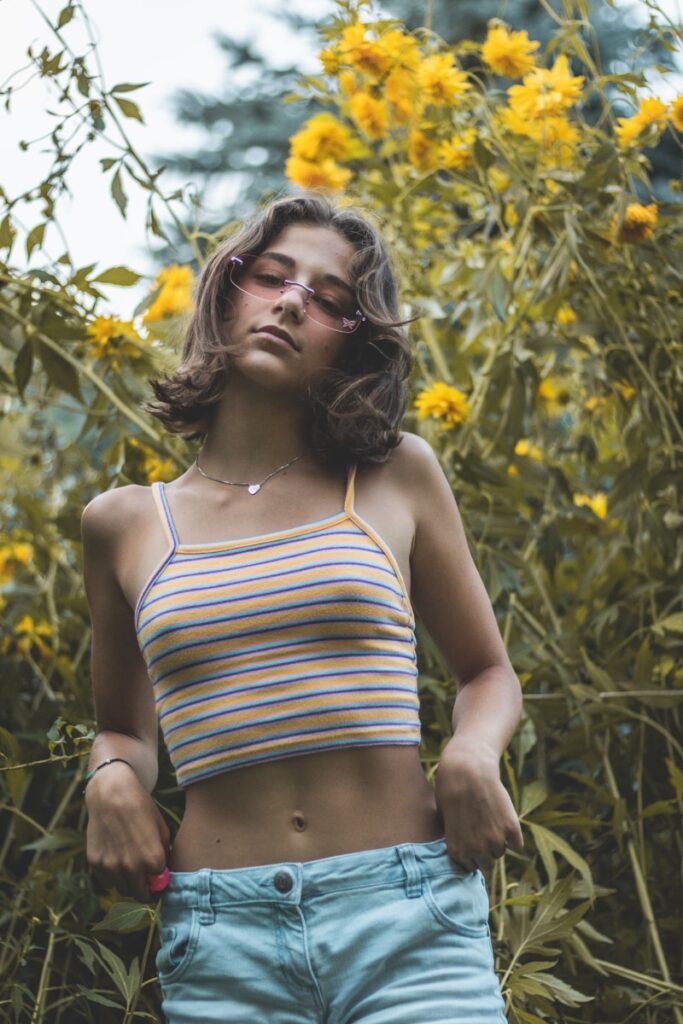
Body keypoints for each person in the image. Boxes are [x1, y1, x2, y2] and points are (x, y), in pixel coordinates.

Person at [81, 190, 524, 1023]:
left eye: (330, 300)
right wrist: (108, 779)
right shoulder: (124, 524)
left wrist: (471, 754)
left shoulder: (394, 476)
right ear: (226, 291)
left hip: (409, 923)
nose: (292, 300)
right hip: (221, 939)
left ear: (352, 344)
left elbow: (487, 671)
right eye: (272, 277)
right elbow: (126, 732)